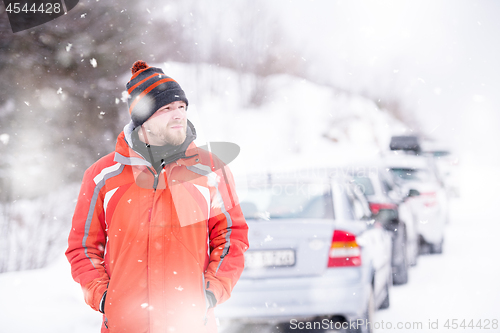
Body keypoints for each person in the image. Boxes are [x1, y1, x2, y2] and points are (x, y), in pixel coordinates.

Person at [66, 60, 249, 333]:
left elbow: (232, 236)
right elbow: (83, 247)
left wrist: (210, 291)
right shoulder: (103, 176)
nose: (178, 115)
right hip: (125, 326)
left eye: (182, 107)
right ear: (144, 118)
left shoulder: (211, 171)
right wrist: (105, 297)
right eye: (166, 108)